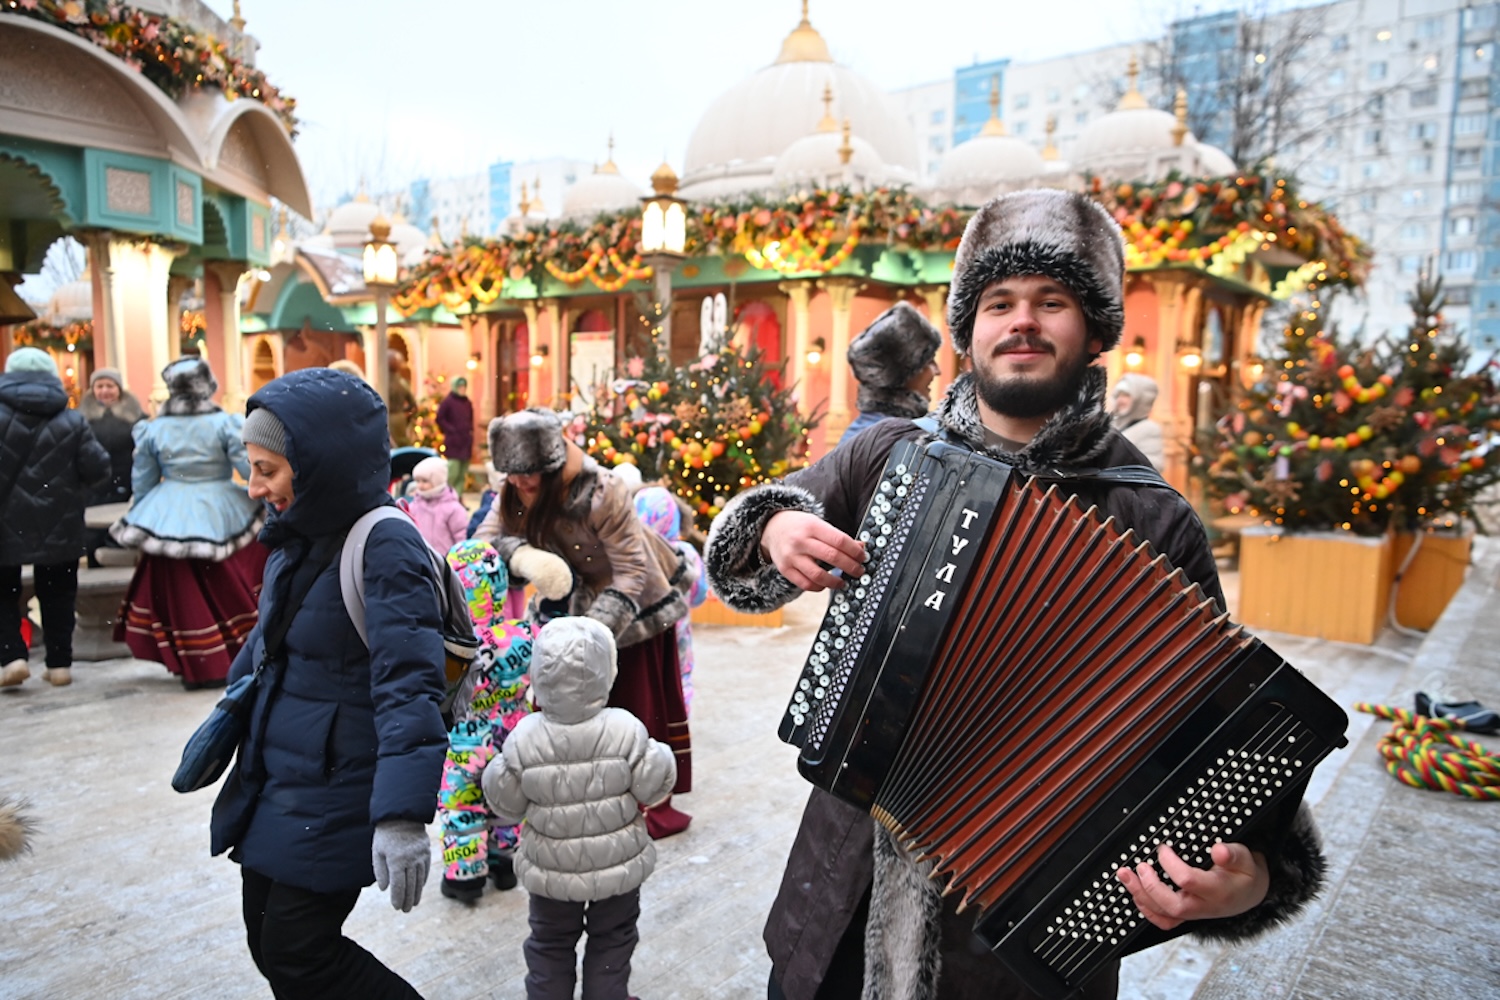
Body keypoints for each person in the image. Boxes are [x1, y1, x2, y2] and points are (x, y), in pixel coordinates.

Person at [704, 189, 1329, 1000]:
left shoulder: (1154, 518)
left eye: (1052, 301)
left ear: (1097, 331)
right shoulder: (887, 456)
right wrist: (772, 528)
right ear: (966, 332)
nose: (1022, 321)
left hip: (1021, 933)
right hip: (839, 912)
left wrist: (1252, 881)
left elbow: (1214, 745)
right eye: (998, 302)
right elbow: (739, 555)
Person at [210, 367, 448, 999]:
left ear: (319, 465)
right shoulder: (298, 534)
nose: (256, 486)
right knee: (269, 943)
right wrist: (226, 716)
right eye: (251, 467)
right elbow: (274, 645)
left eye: (269, 470)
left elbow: (409, 686)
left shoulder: (385, 545)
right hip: (279, 775)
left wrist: (400, 817)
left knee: (299, 951)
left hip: (341, 785)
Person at [474, 407, 695, 840]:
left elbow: (632, 571)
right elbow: (483, 541)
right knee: (563, 703)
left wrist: (590, 639)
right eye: (512, 475)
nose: (518, 485)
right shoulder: (514, 487)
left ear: (552, 468)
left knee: (631, 711)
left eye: (528, 476)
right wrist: (521, 555)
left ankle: (640, 799)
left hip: (633, 604)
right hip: (575, 600)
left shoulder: (603, 490)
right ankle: (566, 794)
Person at [481, 616, 676, 1000]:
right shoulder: (625, 729)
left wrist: (496, 771)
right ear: (606, 672)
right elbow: (653, 787)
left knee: (550, 943)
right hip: (615, 869)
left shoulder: (525, 737)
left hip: (551, 869)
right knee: (612, 940)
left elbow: (506, 803)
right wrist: (662, 757)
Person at [111, 358, 268, 689]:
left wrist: (143, 512)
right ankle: (232, 654)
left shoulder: (154, 428)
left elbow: (144, 478)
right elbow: (246, 465)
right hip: (220, 507)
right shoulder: (225, 424)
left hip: (169, 508)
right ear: (208, 386)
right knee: (229, 581)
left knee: (179, 591)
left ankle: (196, 660)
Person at [0, 347, 109, 688]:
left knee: (2, 590)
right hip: (60, 520)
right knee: (59, 590)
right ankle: (59, 663)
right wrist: (71, 492)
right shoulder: (73, 419)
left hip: (4, 522)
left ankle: (11, 657)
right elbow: (98, 468)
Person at [437, 539, 534, 903]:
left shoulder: (447, 644)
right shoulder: (522, 635)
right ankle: (503, 863)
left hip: (462, 747)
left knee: (462, 804)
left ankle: (465, 877)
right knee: (506, 800)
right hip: (510, 741)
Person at [633, 485, 709, 715]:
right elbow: (698, 595)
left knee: (644, 689)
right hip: (679, 639)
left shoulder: (631, 553)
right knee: (680, 684)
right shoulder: (686, 553)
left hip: (642, 641)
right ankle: (677, 733)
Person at [837, 301, 943, 447]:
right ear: (903, 373)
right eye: (929, 361)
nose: (937, 371)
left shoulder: (874, 431)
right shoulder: (891, 439)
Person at [78, 367, 145, 566]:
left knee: (121, 535)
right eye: (100, 386)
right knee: (93, 535)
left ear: (119, 389)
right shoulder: (81, 417)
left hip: (126, 481)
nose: (104, 390)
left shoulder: (136, 417)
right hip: (93, 485)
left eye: (110, 385)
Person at [405, 455, 469, 554]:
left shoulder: (452, 508)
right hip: (421, 556)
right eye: (417, 481)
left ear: (438, 481)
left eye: (425, 481)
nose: (420, 485)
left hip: (445, 559)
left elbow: (460, 535)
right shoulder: (414, 506)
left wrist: (460, 555)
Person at [1112, 372, 1166, 471]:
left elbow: (1156, 465)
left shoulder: (1149, 428)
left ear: (1141, 399)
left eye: (1126, 395)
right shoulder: (1111, 423)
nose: (1120, 400)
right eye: (1118, 395)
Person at [434, 376, 474, 493]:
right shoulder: (448, 402)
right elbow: (440, 419)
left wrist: (469, 432)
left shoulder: (467, 402)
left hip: (465, 441)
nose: (462, 389)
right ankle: (446, 495)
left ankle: (457, 497)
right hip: (453, 442)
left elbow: (470, 419)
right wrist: (451, 430)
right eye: (460, 386)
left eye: (464, 386)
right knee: (453, 471)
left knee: (462, 473)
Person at [387, 351, 417, 447]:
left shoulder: (381, 383)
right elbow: (413, 405)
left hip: (387, 417)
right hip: (399, 418)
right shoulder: (402, 383)